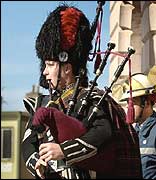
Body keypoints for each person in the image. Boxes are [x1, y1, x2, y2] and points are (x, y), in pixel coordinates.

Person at [22, 4, 141, 179]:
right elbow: (28, 142)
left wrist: (63, 151)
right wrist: (38, 162)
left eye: (50, 65)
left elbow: (102, 132)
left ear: (67, 68)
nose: (44, 71)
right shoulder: (42, 102)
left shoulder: (91, 98)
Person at [120, 73, 156, 179]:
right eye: (127, 102)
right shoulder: (134, 132)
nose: (128, 106)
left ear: (147, 102)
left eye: (132, 102)